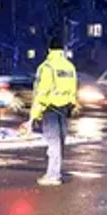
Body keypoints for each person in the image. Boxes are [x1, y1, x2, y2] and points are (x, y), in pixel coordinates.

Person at [28, 37, 78, 186]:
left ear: (49, 49)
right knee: (60, 142)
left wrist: (34, 115)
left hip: (50, 109)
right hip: (64, 109)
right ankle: (56, 171)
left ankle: (53, 175)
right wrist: (71, 105)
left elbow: (41, 93)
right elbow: (73, 89)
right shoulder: (69, 67)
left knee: (53, 143)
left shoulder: (46, 67)